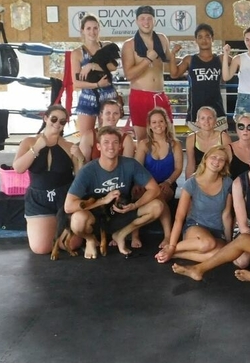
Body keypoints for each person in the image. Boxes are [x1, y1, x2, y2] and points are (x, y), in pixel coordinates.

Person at [65, 126, 170, 259]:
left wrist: (135, 205)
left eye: (115, 142)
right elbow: (68, 206)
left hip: (121, 214)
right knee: (77, 220)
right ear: (98, 146)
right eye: (106, 142)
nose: (111, 146)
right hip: (96, 219)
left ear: (120, 146)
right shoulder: (88, 170)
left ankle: (121, 235)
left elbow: (154, 189)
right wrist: (102, 201)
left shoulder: (130, 164)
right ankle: (90, 240)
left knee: (157, 206)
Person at [12, 104, 82, 255]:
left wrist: (80, 157)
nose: (57, 124)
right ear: (45, 118)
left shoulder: (69, 146)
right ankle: (47, 229)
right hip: (38, 198)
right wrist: (36, 148)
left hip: (64, 197)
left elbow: (80, 177)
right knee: (41, 248)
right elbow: (18, 168)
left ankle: (59, 231)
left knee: (71, 244)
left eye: (62, 121)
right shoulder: (29, 142)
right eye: (54, 119)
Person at [155, 145, 233, 264]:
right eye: (214, 157)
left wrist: (229, 241)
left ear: (224, 165)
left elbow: (226, 215)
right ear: (205, 159)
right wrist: (171, 245)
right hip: (195, 227)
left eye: (221, 159)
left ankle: (176, 254)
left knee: (222, 255)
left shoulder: (227, 183)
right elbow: (179, 218)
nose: (217, 161)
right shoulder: (191, 183)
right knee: (207, 243)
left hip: (217, 230)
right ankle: (171, 249)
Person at [122, 5, 174, 141]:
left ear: (154, 21)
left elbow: (169, 62)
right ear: (136, 21)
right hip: (140, 96)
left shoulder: (162, 39)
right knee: (143, 140)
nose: (146, 22)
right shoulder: (129, 45)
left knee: (168, 137)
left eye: (149, 18)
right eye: (142, 18)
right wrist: (147, 60)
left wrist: (187, 60)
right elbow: (129, 75)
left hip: (160, 95)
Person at [170, 23, 227, 131]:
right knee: (197, 141)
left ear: (212, 38)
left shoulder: (221, 59)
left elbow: (238, 62)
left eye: (207, 36)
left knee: (221, 141)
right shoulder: (189, 60)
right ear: (196, 40)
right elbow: (174, 74)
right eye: (200, 37)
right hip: (196, 110)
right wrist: (172, 54)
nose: (204, 40)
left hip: (217, 110)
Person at [72, 14, 120, 139]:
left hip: (108, 95)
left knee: (108, 136)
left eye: (95, 28)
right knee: (86, 138)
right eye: (88, 28)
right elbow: (76, 82)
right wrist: (97, 84)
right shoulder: (77, 53)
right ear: (82, 30)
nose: (92, 32)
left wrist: (92, 66)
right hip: (88, 97)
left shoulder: (106, 46)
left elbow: (113, 66)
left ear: (99, 29)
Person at [135, 107, 183, 204]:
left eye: (161, 121)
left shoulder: (175, 144)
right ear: (150, 126)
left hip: (167, 184)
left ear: (166, 124)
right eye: (154, 122)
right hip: (147, 184)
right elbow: (137, 168)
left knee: (159, 197)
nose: (158, 125)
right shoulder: (143, 144)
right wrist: (139, 183)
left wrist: (168, 182)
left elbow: (178, 168)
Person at [78, 99, 135, 163]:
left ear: (119, 115)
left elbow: (127, 165)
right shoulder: (88, 136)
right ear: (101, 115)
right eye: (108, 113)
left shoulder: (126, 139)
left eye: (115, 113)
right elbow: (83, 164)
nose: (112, 116)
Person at [185, 106, 232, 179]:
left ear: (215, 121)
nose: (206, 121)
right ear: (197, 122)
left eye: (210, 118)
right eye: (202, 118)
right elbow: (190, 164)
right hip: (199, 178)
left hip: (219, 177)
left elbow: (228, 163)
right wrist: (189, 183)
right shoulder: (191, 138)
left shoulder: (224, 137)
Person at [229, 111, 250, 179]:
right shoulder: (228, 150)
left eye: (249, 127)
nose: (245, 130)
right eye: (241, 126)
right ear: (237, 129)